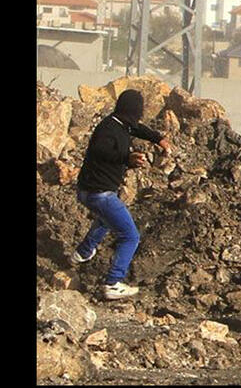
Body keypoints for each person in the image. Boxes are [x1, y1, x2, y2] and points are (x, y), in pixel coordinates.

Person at [71, 89, 172, 300]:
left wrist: (159, 139)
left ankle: (82, 252)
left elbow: (138, 129)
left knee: (106, 220)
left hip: (88, 191)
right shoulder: (108, 130)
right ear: (134, 110)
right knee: (130, 236)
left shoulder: (120, 123)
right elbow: (101, 150)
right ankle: (113, 283)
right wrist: (127, 157)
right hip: (99, 193)